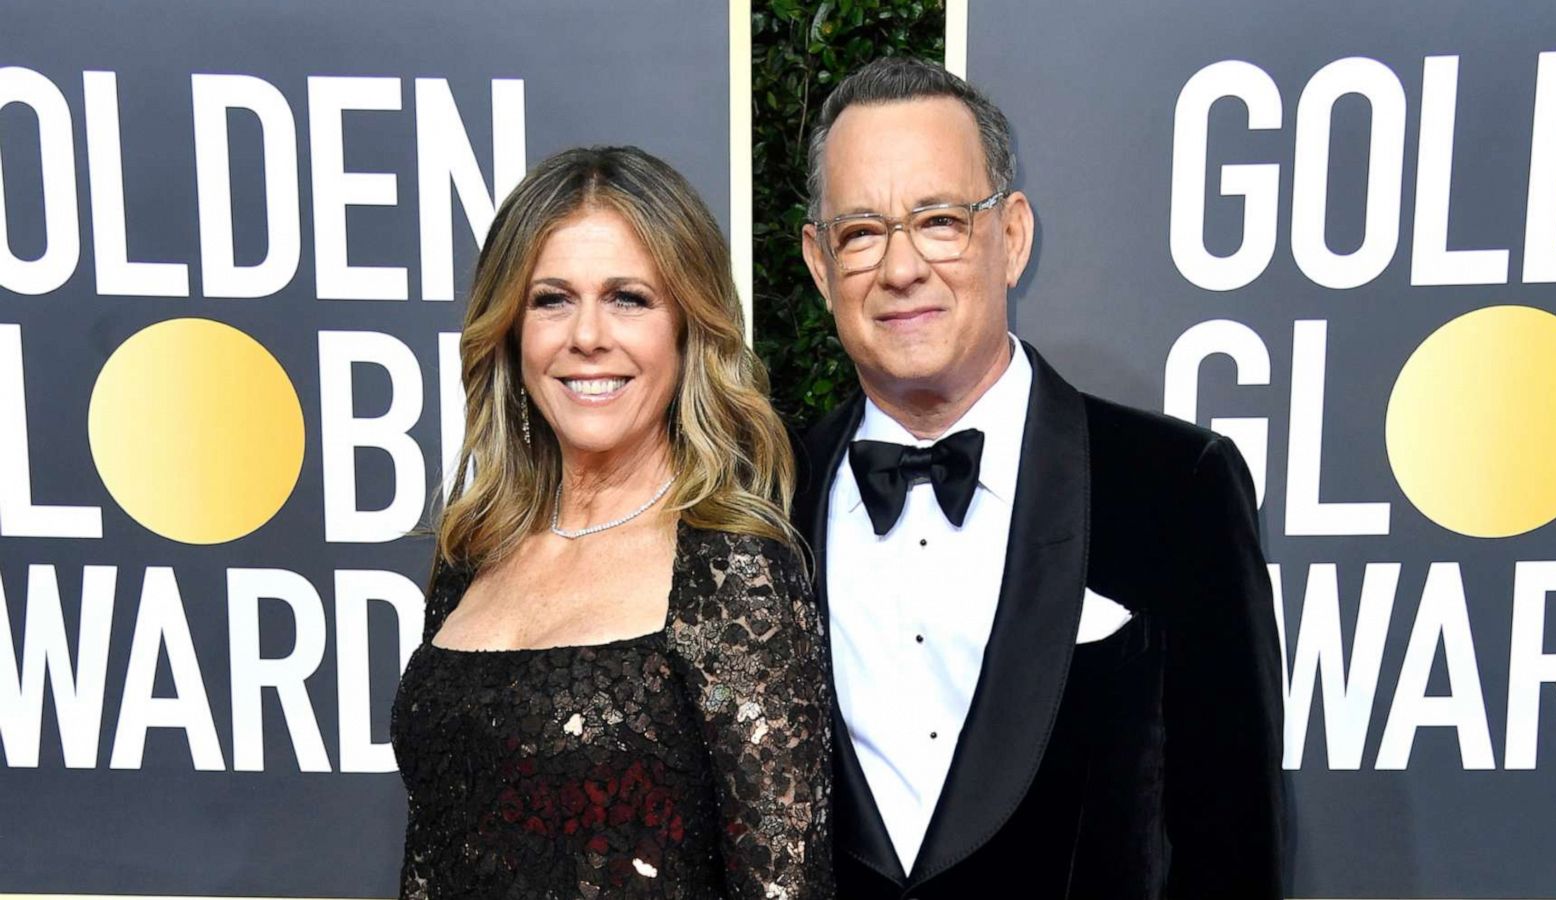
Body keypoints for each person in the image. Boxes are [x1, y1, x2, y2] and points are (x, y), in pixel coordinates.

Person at [793, 57, 1285, 898]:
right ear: (818, 261)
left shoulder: (1176, 486)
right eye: (862, 232)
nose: (901, 268)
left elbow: (1231, 844)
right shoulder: (763, 497)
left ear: (1011, 236)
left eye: (940, 220)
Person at [392, 146, 834, 899]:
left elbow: (784, 885)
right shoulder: (479, 548)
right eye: (552, 299)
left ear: (687, 329)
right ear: (510, 329)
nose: (587, 335)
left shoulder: (733, 574)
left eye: (628, 298)